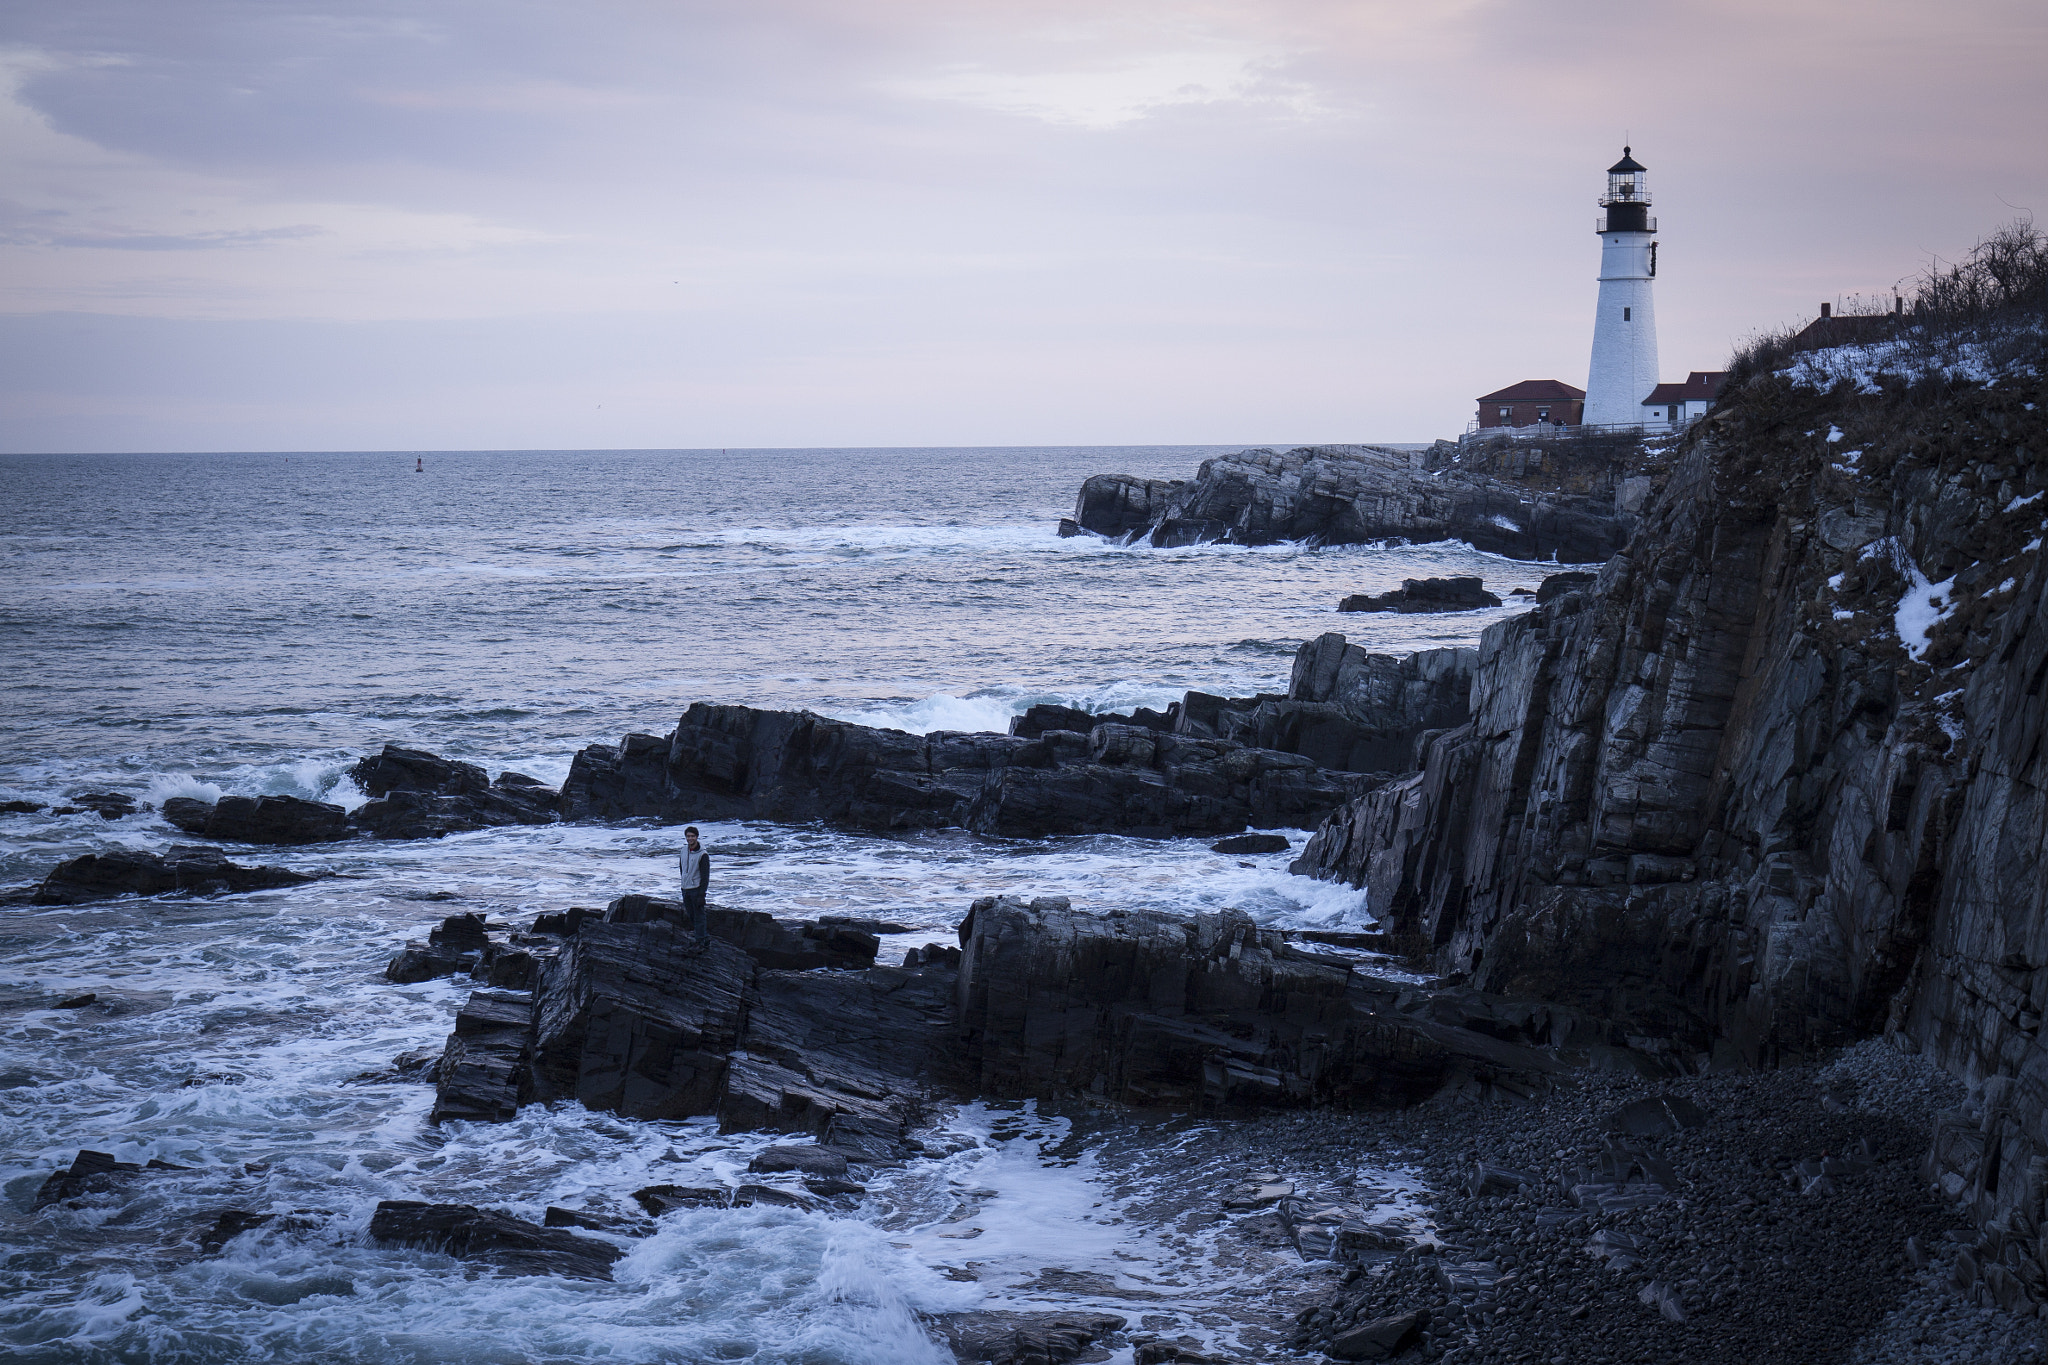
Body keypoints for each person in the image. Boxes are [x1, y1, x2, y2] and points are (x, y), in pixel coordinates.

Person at [678, 826, 710, 945]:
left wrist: (702, 894)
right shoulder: (683, 851)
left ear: (697, 837)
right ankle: (703, 937)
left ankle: (701, 941)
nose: (690, 838)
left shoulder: (703, 854)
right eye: (688, 836)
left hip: (696, 889)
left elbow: (705, 876)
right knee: (691, 915)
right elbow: (682, 868)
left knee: (699, 917)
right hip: (685, 888)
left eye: (692, 836)